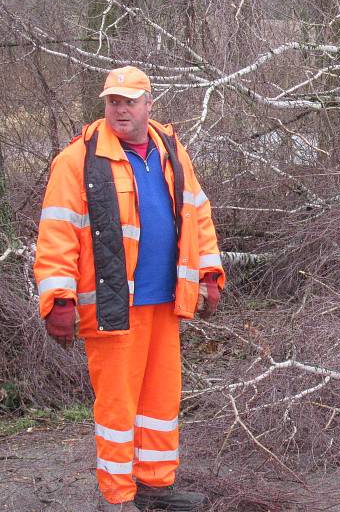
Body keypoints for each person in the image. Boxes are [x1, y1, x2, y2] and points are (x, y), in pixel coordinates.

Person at [34, 66, 225, 511]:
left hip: (166, 300)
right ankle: (117, 499)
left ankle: (156, 487)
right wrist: (57, 299)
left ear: (148, 103)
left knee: (160, 401)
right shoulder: (78, 161)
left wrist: (209, 272)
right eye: (113, 101)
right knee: (118, 408)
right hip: (112, 307)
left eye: (129, 101)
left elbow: (198, 215)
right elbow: (57, 234)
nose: (120, 110)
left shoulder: (171, 150)